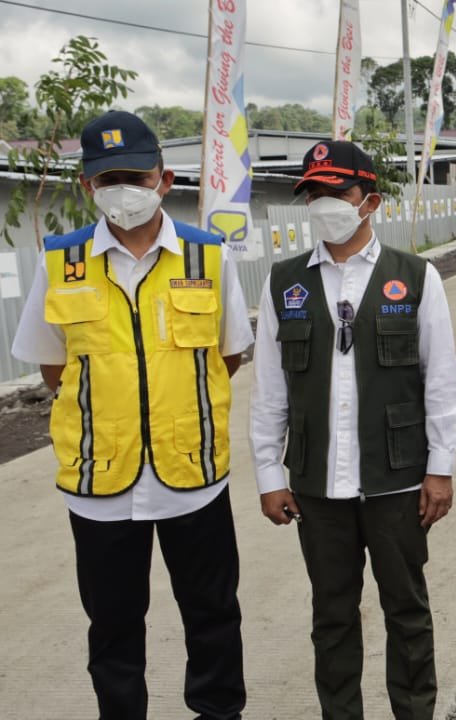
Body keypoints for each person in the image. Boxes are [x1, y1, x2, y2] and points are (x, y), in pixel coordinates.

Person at [10, 109, 252, 719]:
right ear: (88, 186)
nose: (123, 190)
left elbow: (228, 354)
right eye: (107, 178)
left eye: (136, 177)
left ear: (164, 180)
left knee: (214, 617)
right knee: (113, 628)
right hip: (100, 483)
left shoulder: (208, 256)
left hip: (192, 479)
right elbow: (52, 366)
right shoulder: (60, 262)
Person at [249, 140, 456, 719]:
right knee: (332, 616)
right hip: (317, 487)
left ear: (369, 200)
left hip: (395, 481)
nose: (323, 204)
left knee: (407, 612)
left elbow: (442, 380)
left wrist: (440, 469)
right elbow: (270, 390)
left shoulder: (416, 277)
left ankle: (413, 712)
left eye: (336, 193)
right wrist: (270, 473)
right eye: (312, 193)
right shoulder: (283, 283)